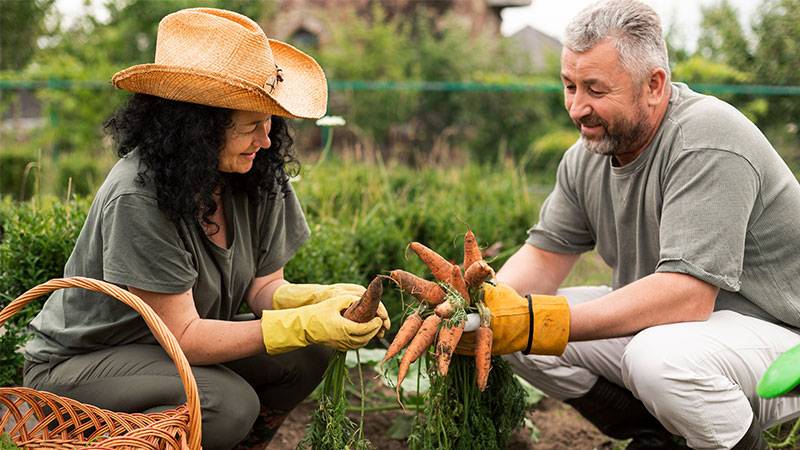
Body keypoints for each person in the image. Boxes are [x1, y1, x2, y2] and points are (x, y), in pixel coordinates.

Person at [21, 8, 389, 450]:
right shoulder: (140, 194)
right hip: (83, 367)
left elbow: (263, 288)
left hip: (164, 355)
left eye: (269, 120)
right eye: (251, 125)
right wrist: (304, 322)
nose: (267, 139)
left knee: (307, 354)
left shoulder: (254, 172)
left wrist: (320, 300)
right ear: (197, 127)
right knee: (223, 404)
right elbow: (185, 337)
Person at [459, 1, 800, 449]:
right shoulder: (586, 158)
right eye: (569, 86)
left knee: (654, 359)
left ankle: (742, 440)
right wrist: (482, 312)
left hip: (780, 339)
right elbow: (543, 256)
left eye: (595, 91)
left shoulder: (707, 139)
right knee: (515, 336)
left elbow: (688, 296)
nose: (577, 108)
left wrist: (535, 320)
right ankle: (660, 436)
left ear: (654, 85)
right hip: (685, 334)